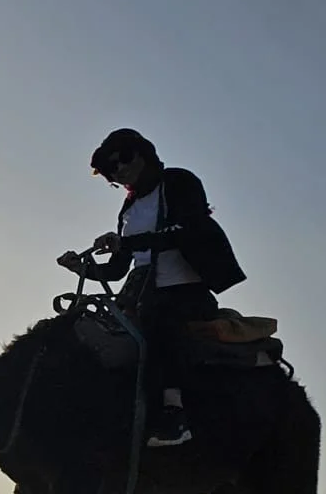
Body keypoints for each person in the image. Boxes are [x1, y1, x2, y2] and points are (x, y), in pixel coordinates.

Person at [58, 127, 244, 447]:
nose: (119, 168)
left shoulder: (178, 182)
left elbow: (187, 230)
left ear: (143, 153)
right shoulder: (128, 211)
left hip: (185, 293)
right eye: (109, 167)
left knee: (159, 331)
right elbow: (118, 270)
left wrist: (127, 242)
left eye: (124, 158)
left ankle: (174, 416)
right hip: (141, 295)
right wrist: (84, 268)